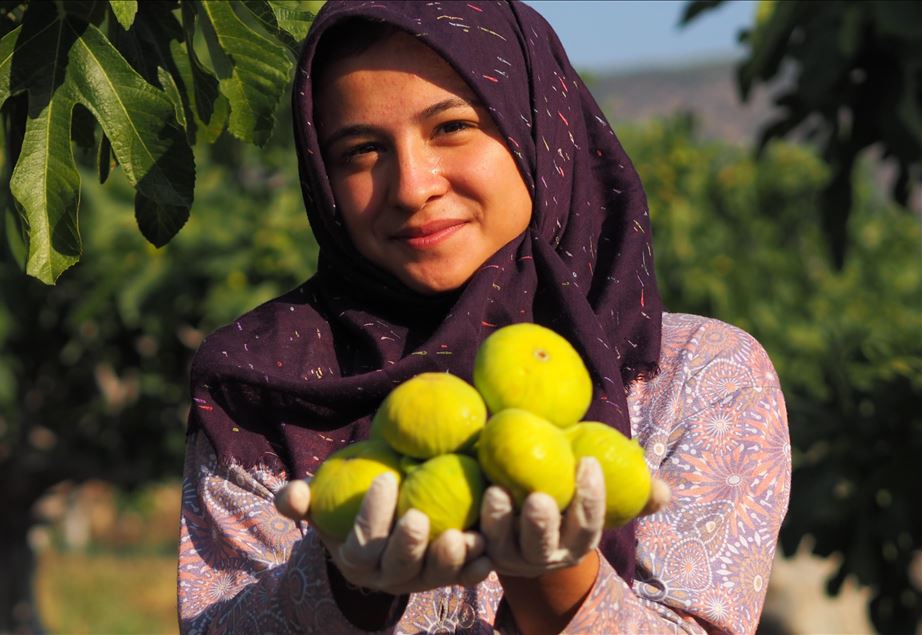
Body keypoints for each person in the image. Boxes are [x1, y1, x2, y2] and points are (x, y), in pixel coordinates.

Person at [176, 1, 790, 633]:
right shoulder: (262, 386)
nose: (412, 186)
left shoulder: (699, 374)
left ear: (538, 131)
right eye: (361, 150)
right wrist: (339, 587)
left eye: (451, 128)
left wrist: (557, 580)